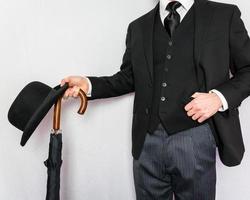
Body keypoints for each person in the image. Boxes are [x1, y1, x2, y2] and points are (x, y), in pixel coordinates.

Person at [61, 0, 250, 199]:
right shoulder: (138, 27)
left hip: (196, 139)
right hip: (147, 142)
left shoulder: (224, 15)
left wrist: (218, 98)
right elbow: (128, 78)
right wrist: (88, 85)